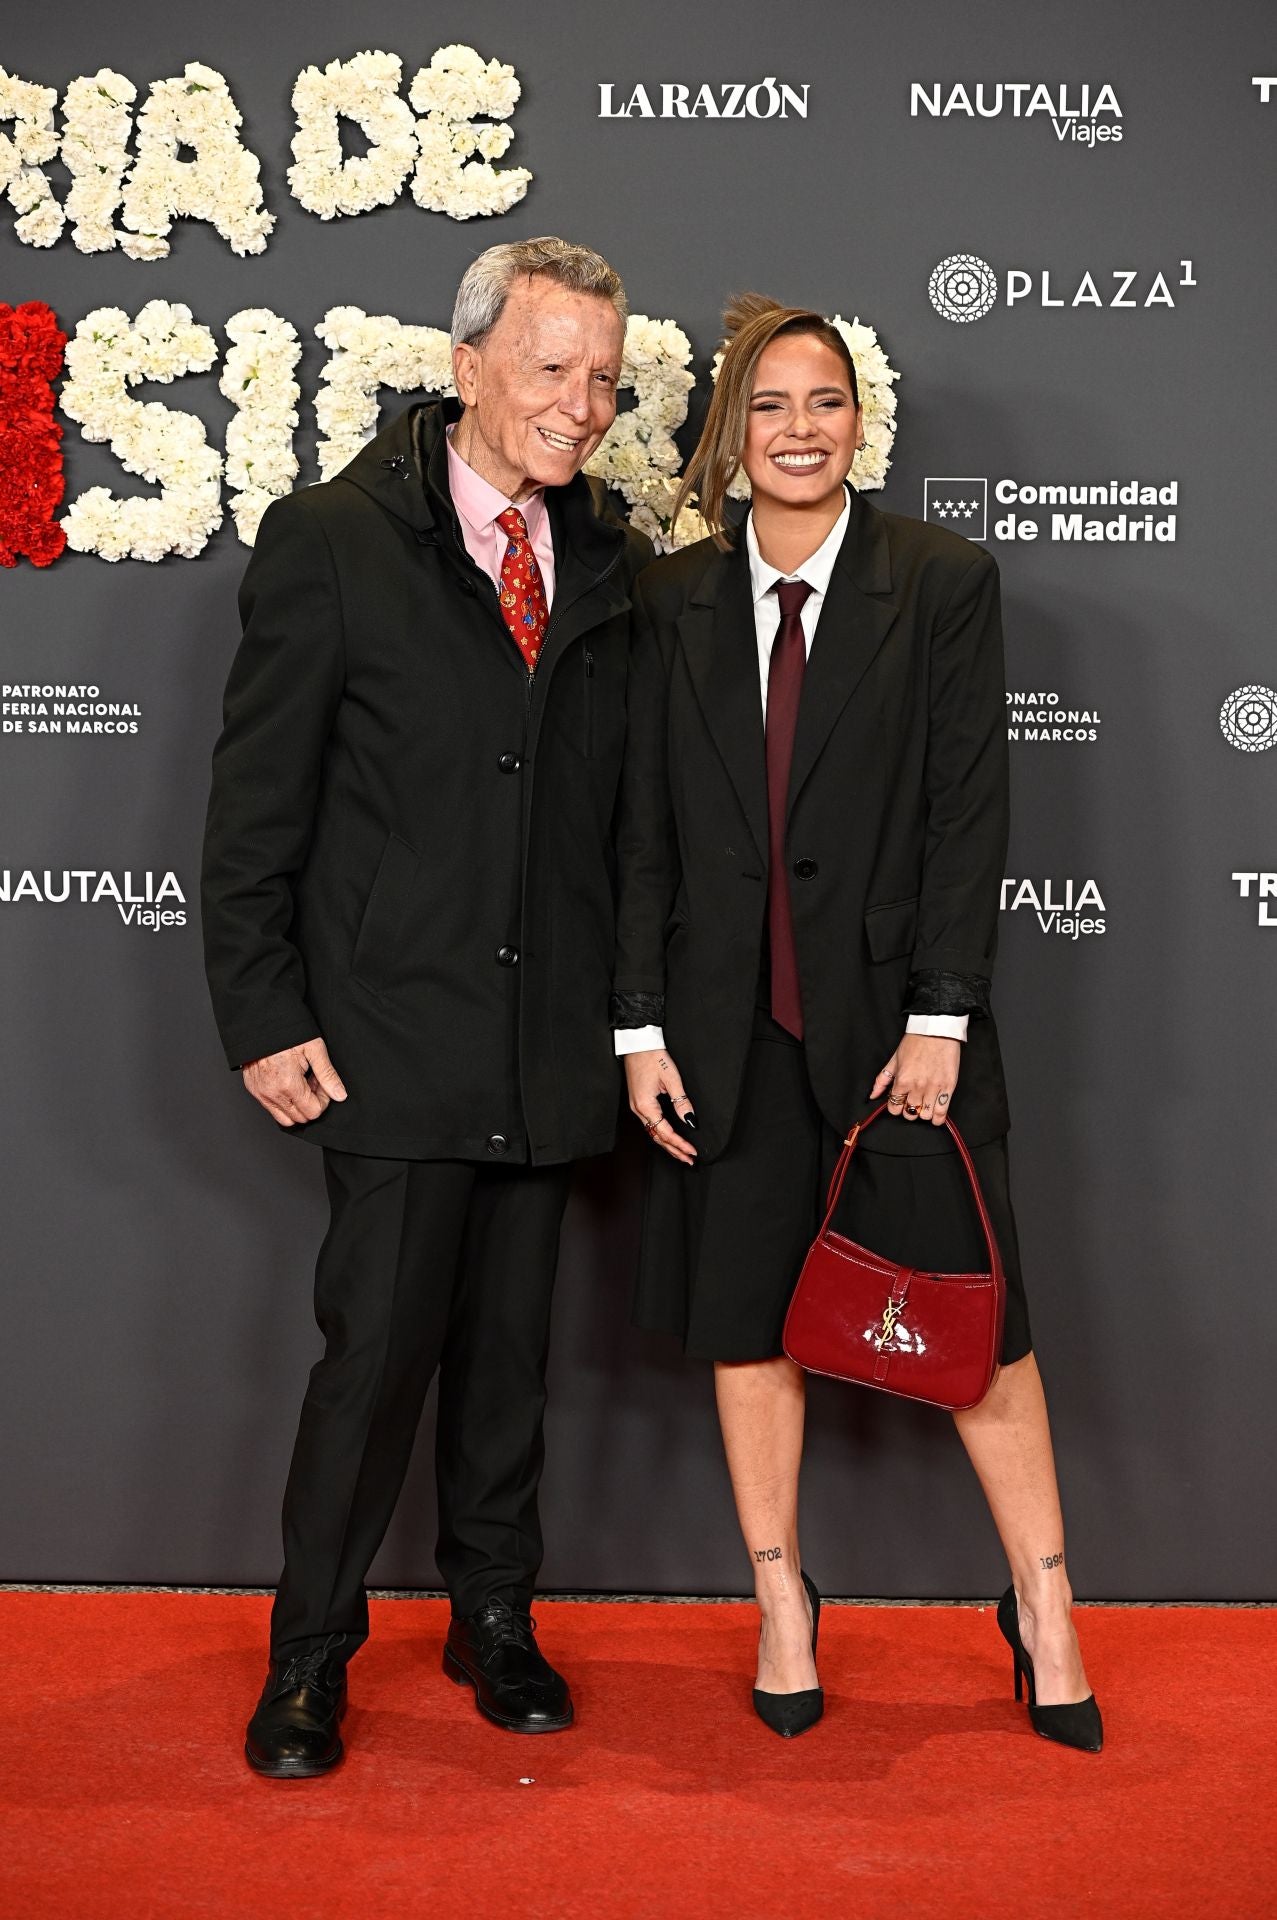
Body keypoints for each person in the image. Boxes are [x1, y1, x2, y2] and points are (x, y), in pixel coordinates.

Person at [612, 295, 1102, 1751]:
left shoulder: (939, 581)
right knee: (747, 1326)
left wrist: (943, 1011)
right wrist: (638, 1026)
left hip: (901, 1036)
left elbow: (968, 813)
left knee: (980, 1333)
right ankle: (778, 1603)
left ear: (860, 421)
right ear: (727, 433)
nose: (798, 429)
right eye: (767, 405)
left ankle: (1046, 1607)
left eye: (823, 401)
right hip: (721, 1035)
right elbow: (638, 833)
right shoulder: (663, 600)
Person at [201, 237, 654, 1775]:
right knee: (375, 1354)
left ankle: (492, 1619)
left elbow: (623, 822)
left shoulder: (606, 557)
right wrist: (263, 1012)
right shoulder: (331, 539)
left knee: (509, 1360)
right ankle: (309, 1658)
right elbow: (255, 806)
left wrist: (628, 1017)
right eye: (550, 369)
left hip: (548, 1040)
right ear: (465, 365)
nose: (581, 405)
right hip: (387, 1036)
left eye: (603, 377)